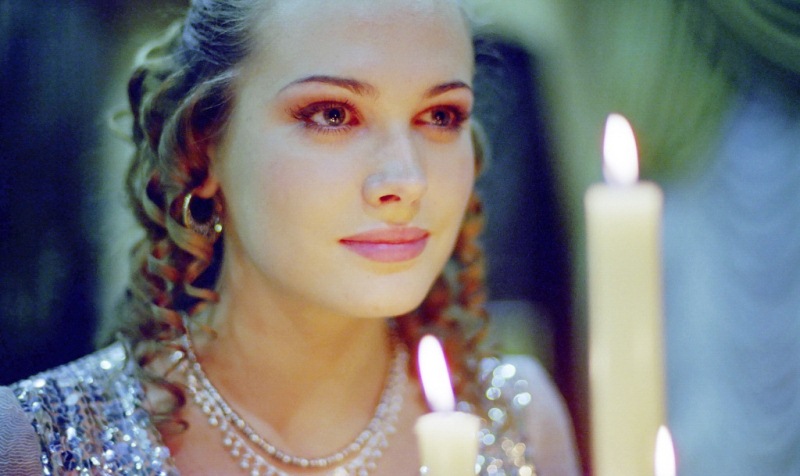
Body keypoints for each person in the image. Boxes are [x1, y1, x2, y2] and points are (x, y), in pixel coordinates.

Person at [0, 0, 581, 474]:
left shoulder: (519, 424)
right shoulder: (36, 444)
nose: (406, 180)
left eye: (441, 116)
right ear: (204, 148)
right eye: (332, 114)